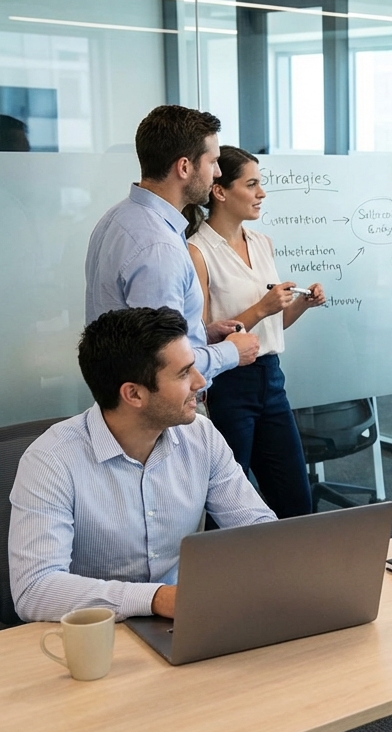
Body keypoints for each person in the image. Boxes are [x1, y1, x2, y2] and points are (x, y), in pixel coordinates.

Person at [8, 307, 276, 622]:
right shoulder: (52, 460)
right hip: (94, 638)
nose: (200, 382)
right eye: (183, 373)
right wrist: (156, 599)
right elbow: (34, 590)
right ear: (133, 394)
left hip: (183, 623)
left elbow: (260, 534)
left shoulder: (200, 435)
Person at [183, 146, 326, 518]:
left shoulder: (262, 243)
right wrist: (262, 308)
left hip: (271, 379)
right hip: (228, 384)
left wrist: (297, 306)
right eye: (252, 184)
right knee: (226, 505)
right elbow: (200, 335)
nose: (261, 193)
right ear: (220, 191)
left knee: (295, 499)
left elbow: (271, 329)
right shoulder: (197, 251)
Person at [84, 105, 259, 382]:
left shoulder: (119, 217)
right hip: (158, 406)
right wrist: (230, 352)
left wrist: (202, 334)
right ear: (185, 167)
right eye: (212, 162)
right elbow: (165, 360)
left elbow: (143, 334)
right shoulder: (157, 246)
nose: (216, 173)